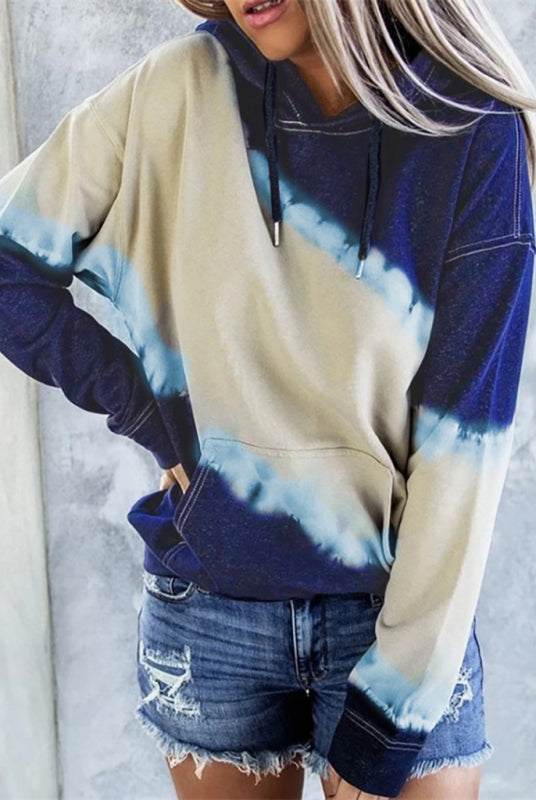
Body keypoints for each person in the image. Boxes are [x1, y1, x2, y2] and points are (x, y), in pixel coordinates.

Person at [0, 0, 535, 797]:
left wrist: (393, 709)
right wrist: (146, 412)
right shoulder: (178, 88)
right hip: (211, 609)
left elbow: (467, 443)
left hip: (398, 611)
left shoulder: (468, 127)